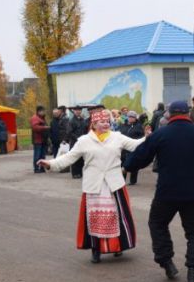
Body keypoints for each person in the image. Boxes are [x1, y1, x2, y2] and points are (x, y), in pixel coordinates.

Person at [123, 101, 194, 282]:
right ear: (188, 113)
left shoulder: (160, 134)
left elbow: (138, 159)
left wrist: (126, 167)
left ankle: (166, 262)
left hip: (167, 192)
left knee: (157, 223)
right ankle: (193, 273)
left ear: (170, 114)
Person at [38, 109, 148, 263]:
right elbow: (69, 158)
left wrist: (147, 138)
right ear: (93, 124)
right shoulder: (84, 140)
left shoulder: (117, 137)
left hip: (114, 184)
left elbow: (135, 145)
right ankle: (96, 250)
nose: (105, 124)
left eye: (107, 122)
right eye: (101, 122)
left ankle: (118, 246)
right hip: (94, 185)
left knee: (116, 217)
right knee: (95, 218)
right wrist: (49, 163)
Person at [120, 111, 145, 185]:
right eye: (129, 117)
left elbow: (142, 136)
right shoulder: (123, 125)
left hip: (134, 147)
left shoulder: (139, 126)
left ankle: (133, 181)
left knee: (133, 163)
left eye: (132, 117)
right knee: (123, 164)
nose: (130, 118)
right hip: (123, 147)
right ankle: (122, 180)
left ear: (135, 118)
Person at [67, 106, 88, 179]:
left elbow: (85, 130)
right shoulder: (71, 121)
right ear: (74, 111)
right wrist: (77, 138)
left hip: (83, 142)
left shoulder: (83, 120)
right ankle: (75, 173)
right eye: (76, 110)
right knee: (75, 157)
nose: (78, 112)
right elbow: (69, 132)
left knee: (81, 158)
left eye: (79, 110)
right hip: (74, 142)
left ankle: (80, 172)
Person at [30, 106, 50, 173]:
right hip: (38, 140)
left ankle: (42, 167)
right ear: (38, 111)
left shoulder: (42, 118)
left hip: (43, 140)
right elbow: (35, 127)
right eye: (42, 111)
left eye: (44, 111)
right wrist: (44, 127)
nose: (43, 112)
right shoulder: (35, 118)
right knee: (37, 155)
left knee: (43, 155)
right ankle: (36, 168)